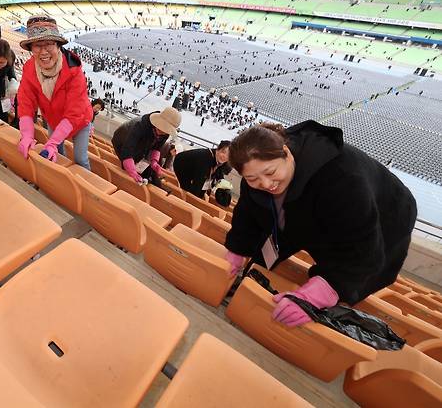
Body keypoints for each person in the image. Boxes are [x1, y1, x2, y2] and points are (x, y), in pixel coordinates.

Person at [224, 120, 417, 327]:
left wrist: (320, 293)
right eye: (253, 179)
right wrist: (236, 251)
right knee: (274, 244)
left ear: (287, 153)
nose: (265, 184)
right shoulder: (255, 171)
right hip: (306, 207)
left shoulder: (342, 180)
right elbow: (247, 215)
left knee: (346, 277)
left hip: (385, 214)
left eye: (271, 173)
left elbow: (363, 251)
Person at [16, 15, 92, 169]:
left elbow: (74, 113)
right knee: (58, 154)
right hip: (53, 119)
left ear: (58, 46)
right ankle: (61, 178)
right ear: (31, 49)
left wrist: (52, 142)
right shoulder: (29, 68)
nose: (43, 51)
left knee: (80, 159)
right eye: (37, 45)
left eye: (49, 44)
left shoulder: (74, 71)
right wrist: (27, 135)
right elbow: (25, 103)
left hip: (80, 120)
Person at [112, 107, 181, 185]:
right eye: (160, 128)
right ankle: (125, 185)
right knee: (129, 167)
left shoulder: (166, 133)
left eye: (164, 130)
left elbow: (157, 147)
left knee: (141, 164)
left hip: (141, 143)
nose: (161, 131)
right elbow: (127, 150)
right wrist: (132, 171)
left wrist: (154, 161)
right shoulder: (140, 126)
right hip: (122, 139)